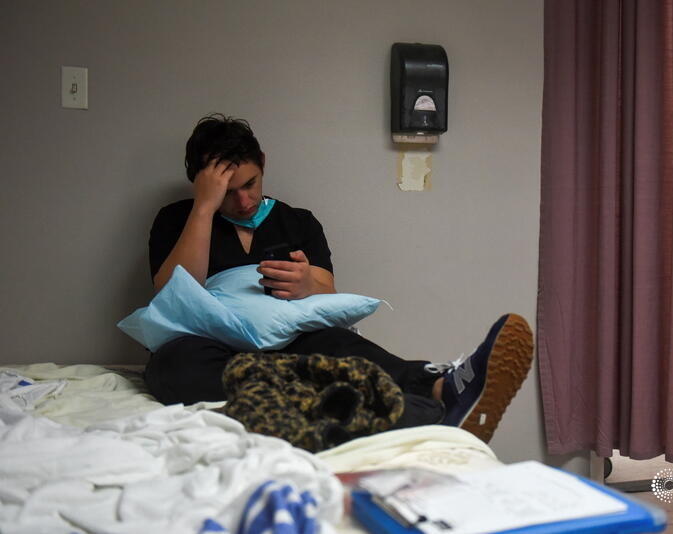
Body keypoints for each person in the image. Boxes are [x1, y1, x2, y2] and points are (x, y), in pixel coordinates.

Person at [143, 114, 533, 443]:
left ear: (263, 162)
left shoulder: (298, 222)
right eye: (228, 192)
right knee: (170, 367)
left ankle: (439, 386)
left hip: (287, 347)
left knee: (337, 342)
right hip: (213, 352)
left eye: (250, 183)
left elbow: (327, 292)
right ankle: (395, 408)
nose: (244, 201)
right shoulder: (178, 219)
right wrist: (205, 208)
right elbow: (172, 294)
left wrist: (306, 285)